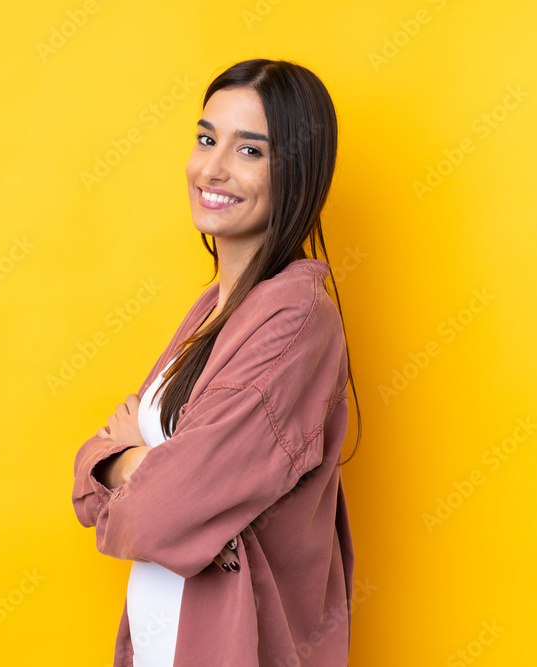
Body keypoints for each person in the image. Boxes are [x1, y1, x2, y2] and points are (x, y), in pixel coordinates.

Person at [72, 58, 361, 667]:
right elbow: (88, 484)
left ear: (298, 171)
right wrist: (146, 469)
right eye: (207, 139)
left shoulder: (295, 320)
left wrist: (127, 463)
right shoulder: (215, 308)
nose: (213, 167)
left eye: (250, 150)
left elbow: (154, 513)